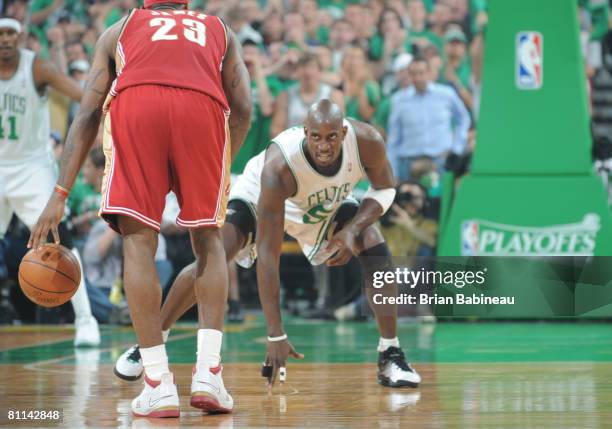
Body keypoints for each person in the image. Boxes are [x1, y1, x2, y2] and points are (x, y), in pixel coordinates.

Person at [28, 0, 251, 418]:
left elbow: (88, 112)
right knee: (208, 237)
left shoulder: (119, 29)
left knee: (137, 240)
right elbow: (244, 108)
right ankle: (209, 374)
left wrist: (60, 192)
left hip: (138, 107)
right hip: (202, 112)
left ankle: (157, 383)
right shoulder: (220, 29)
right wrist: (220, 163)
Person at [114, 100, 422, 390]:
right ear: (305, 133)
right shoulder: (279, 167)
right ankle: (150, 344)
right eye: (316, 137)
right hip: (258, 195)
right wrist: (276, 332)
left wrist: (352, 231)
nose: (324, 146)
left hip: (322, 204)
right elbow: (268, 256)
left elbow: (384, 189)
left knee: (374, 244)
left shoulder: (367, 141)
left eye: (331, 137)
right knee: (215, 257)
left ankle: (390, 353)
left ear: (344, 133)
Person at [0, 16, 101, 347]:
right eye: (0, 33)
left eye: (11, 33)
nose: (5, 39)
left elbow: (79, 95)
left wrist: (104, 104)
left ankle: (86, 320)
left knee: (59, 239)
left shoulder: (36, 68)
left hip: (31, 167)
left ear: (22, 35)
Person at [387, 56, 470, 182]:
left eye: (421, 73)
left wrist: (457, 148)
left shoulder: (446, 94)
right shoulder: (399, 100)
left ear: (429, 73)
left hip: (440, 162)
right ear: (409, 76)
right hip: (409, 163)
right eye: (414, 74)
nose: (418, 78)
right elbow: (393, 138)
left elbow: (463, 119)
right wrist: (393, 171)